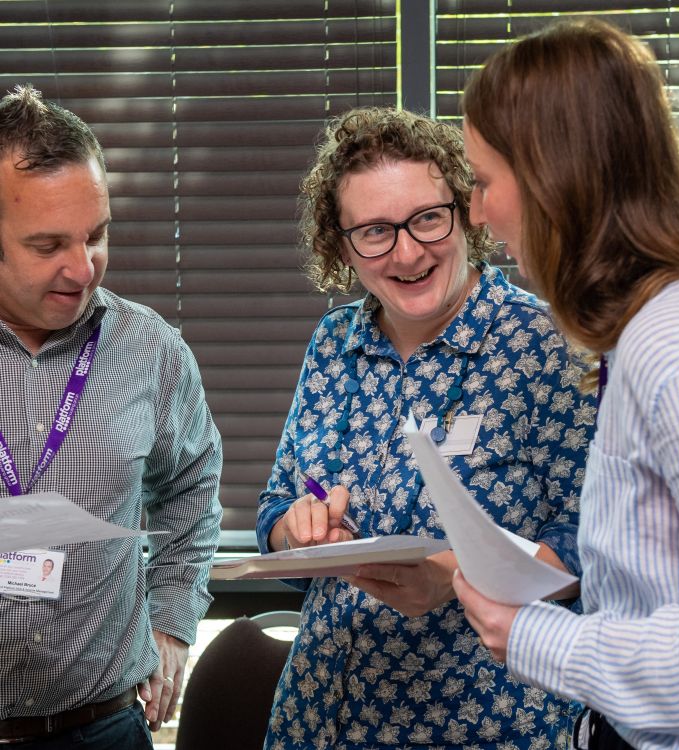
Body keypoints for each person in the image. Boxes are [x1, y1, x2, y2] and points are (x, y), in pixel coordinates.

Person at [256, 106, 596, 749]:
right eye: (375, 231)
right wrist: (295, 528)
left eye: (427, 219)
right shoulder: (334, 343)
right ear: (342, 244)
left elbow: (589, 545)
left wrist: (457, 577)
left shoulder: (549, 343)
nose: (407, 252)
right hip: (320, 715)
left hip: (488, 723)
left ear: (468, 210)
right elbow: (277, 502)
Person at [454, 19, 679, 750]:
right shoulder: (639, 335)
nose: (478, 213)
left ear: (559, 181)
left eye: (487, 182)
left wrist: (541, 639)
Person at [0, 84, 223, 748]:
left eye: (96, 235)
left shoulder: (149, 348)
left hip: (105, 728)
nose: (82, 267)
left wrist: (173, 622)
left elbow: (191, 486)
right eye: (48, 246)